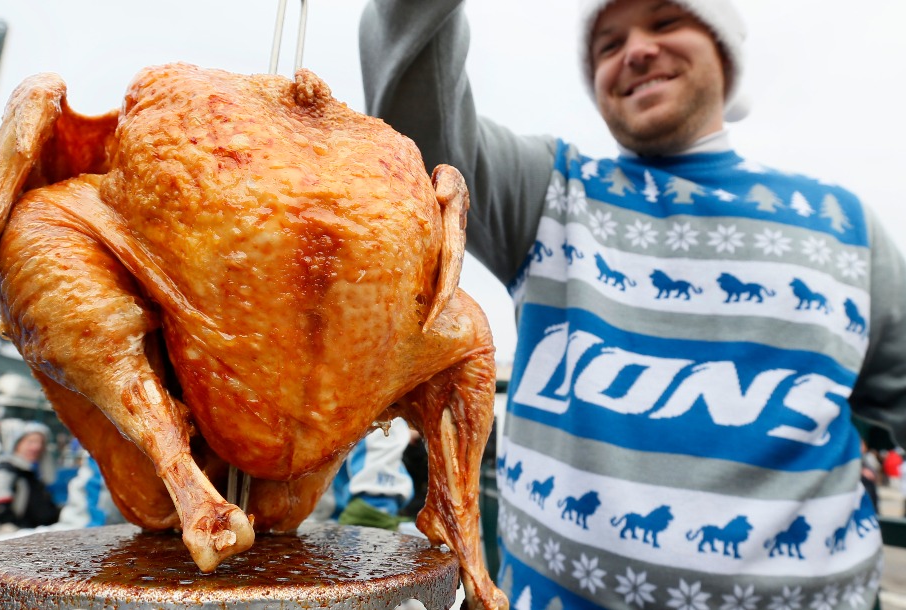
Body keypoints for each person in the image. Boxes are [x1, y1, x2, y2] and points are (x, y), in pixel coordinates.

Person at [360, 1, 906, 608]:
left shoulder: (846, 228)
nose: (636, 50)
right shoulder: (553, 191)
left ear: (724, 50)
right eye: (608, 45)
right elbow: (414, 132)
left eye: (666, 22)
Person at [0, 420, 61, 531]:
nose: (37, 447)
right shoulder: (4, 472)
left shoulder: (30, 474)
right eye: (30, 442)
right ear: (16, 444)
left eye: (41, 443)